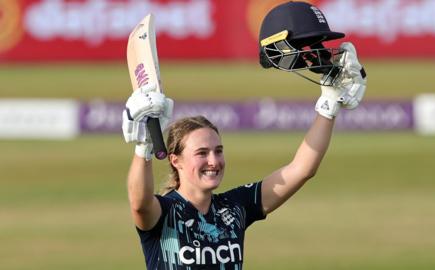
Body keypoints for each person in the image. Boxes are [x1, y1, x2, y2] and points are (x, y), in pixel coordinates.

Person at [121, 2, 367, 270]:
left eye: (218, 150)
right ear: (175, 160)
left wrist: (329, 105)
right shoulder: (164, 214)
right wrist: (144, 146)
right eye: (201, 153)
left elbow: (302, 169)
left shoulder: (234, 208)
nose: (214, 160)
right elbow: (139, 202)